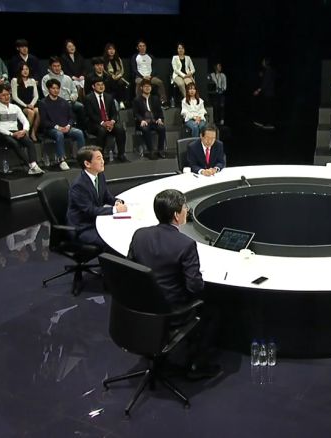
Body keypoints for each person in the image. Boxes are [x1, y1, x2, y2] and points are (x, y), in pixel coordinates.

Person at [127, 189, 221, 380]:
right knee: (213, 310)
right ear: (177, 215)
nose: (187, 210)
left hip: (141, 308)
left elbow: (131, 271)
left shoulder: (139, 235)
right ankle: (198, 366)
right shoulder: (185, 244)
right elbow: (195, 287)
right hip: (172, 313)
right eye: (185, 207)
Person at [66, 146, 128, 249]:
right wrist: (115, 210)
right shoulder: (79, 185)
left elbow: (106, 196)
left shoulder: (100, 175)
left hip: (96, 220)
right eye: (99, 159)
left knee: (122, 230)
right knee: (113, 240)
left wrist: (117, 202)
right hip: (83, 227)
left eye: (102, 158)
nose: (103, 162)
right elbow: (89, 210)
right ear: (87, 164)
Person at [0, 86, 44, 175]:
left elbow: (25, 121)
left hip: (16, 131)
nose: (6, 97)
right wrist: (11, 134)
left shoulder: (15, 107)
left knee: (29, 142)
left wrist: (24, 130)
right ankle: (30, 166)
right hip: (2, 133)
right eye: (3, 95)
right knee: (14, 143)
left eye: (8, 94)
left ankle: (34, 165)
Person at [39, 78, 85, 170]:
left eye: (57, 88)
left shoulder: (64, 102)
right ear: (49, 89)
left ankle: (83, 158)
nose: (56, 90)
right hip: (51, 129)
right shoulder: (43, 103)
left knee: (79, 133)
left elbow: (71, 117)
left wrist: (68, 126)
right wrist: (58, 127)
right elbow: (44, 121)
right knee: (59, 134)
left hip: (66, 127)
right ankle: (62, 160)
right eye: (53, 88)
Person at [84, 78, 128, 162]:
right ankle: (101, 156)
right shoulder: (88, 98)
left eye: (102, 85)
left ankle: (121, 154)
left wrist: (112, 122)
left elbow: (114, 113)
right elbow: (91, 115)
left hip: (109, 122)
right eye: (98, 85)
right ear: (93, 86)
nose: (101, 87)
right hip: (95, 123)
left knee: (120, 129)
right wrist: (103, 123)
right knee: (102, 130)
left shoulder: (109, 97)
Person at [41, 57, 84, 126]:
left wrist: (73, 97)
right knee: (66, 106)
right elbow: (46, 93)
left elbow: (74, 91)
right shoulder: (46, 78)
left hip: (69, 101)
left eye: (58, 66)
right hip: (54, 102)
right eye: (54, 66)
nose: (57, 68)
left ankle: (81, 128)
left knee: (80, 106)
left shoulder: (67, 78)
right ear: (50, 67)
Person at [133, 79, 167, 159]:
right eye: (145, 86)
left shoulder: (155, 98)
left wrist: (160, 119)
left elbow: (159, 111)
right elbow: (135, 113)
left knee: (162, 128)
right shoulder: (137, 100)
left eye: (149, 86)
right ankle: (151, 151)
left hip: (154, 121)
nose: (147, 88)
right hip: (144, 121)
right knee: (145, 129)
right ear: (141, 88)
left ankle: (160, 150)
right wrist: (141, 120)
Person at [131, 40, 167, 106]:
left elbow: (154, 68)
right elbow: (134, 69)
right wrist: (143, 76)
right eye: (140, 46)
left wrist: (150, 76)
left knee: (159, 82)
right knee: (138, 82)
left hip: (150, 76)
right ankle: (139, 102)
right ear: (137, 48)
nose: (142, 47)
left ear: (146, 47)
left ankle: (163, 101)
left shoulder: (150, 56)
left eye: (143, 46)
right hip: (140, 77)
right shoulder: (135, 57)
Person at [10, 63, 40, 141]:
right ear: (20, 71)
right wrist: (26, 105)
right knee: (31, 112)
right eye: (23, 69)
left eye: (27, 69)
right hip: (20, 104)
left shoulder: (32, 80)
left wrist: (31, 104)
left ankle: (33, 132)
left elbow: (36, 96)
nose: (25, 71)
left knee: (38, 111)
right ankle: (26, 133)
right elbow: (14, 97)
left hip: (31, 104)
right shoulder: (15, 80)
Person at [102, 43, 131, 107]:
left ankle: (122, 102)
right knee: (115, 83)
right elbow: (104, 71)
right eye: (110, 49)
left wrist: (119, 75)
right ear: (106, 50)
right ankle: (119, 101)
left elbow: (122, 70)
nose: (111, 51)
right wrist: (112, 76)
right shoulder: (104, 60)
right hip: (109, 78)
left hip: (118, 77)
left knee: (122, 83)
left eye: (113, 49)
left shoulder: (118, 59)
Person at [251, 57, 275, 129]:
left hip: (268, 93)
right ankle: (264, 122)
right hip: (268, 93)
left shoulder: (268, 71)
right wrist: (262, 75)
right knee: (265, 108)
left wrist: (258, 90)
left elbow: (265, 83)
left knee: (267, 108)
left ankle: (268, 124)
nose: (262, 63)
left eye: (263, 61)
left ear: (266, 63)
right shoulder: (268, 70)